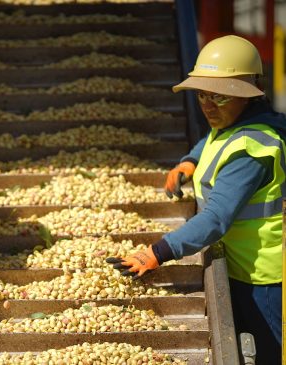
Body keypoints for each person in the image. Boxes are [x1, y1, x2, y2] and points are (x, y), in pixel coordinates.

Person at [107, 35, 283, 364]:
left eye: (219, 96)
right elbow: (215, 138)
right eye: (202, 94)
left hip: (265, 278)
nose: (207, 105)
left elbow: (215, 218)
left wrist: (157, 252)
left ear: (246, 95)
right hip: (243, 264)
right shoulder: (239, 122)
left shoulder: (252, 150)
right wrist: (192, 159)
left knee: (269, 354)